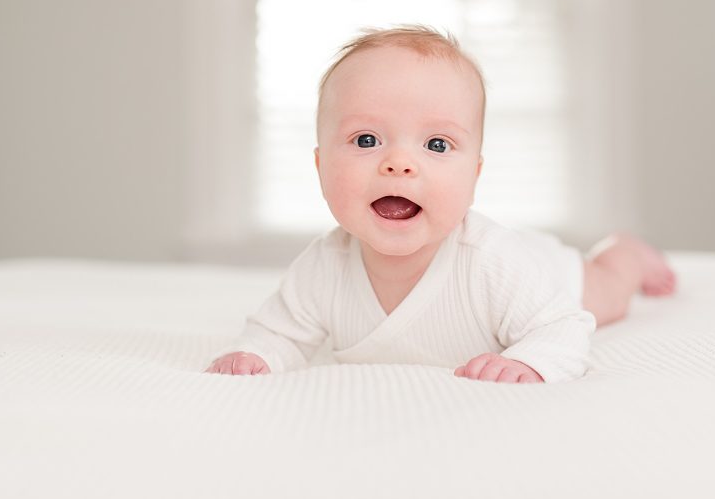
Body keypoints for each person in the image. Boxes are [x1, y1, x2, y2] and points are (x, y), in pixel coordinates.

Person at [206, 26, 675, 384]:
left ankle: (625, 253)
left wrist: (528, 361)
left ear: (475, 174)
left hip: (547, 274)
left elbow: (564, 328)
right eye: (366, 139)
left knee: (609, 294)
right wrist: (257, 356)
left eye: (436, 144)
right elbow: (281, 331)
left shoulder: (493, 263)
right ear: (320, 164)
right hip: (517, 268)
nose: (398, 164)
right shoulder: (323, 266)